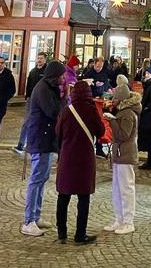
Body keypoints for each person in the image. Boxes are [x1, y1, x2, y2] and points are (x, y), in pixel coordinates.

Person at [55, 80, 105, 245]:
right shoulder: (91, 111)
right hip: (85, 159)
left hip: (68, 158)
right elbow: (101, 131)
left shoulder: (67, 111)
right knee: (83, 198)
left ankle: (62, 233)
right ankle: (79, 234)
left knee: (63, 196)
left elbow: (58, 132)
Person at [21, 60, 65, 237]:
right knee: (36, 179)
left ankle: (36, 215)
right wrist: (64, 98)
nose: (64, 78)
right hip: (40, 138)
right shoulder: (42, 89)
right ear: (55, 76)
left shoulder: (48, 87)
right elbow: (54, 112)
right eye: (62, 75)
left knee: (42, 178)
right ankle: (28, 220)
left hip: (46, 139)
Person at [103, 75, 141, 235]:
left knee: (126, 188)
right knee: (117, 188)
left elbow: (123, 135)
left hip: (126, 153)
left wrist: (112, 121)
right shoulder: (123, 112)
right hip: (120, 153)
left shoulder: (127, 114)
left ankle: (128, 221)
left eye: (115, 99)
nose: (113, 101)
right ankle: (119, 219)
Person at [15, 52, 47, 156]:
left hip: (42, 100)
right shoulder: (33, 71)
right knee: (27, 122)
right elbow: (29, 85)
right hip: (31, 100)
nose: (39, 60)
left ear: (45, 60)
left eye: (41, 58)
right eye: (38, 58)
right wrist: (27, 96)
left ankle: (37, 145)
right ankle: (21, 144)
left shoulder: (46, 72)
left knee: (40, 123)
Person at [81, 57, 109, 157]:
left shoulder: (104, 73)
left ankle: (99, 147)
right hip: (90, 102)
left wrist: (104, 88)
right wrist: (94, 85)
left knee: (98, 124)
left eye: (101, 67)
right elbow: (84, 86)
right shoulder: (89, 73)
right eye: (97, 66)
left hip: (100, 102)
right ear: (94, 64)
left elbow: (107, 85)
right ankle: (87, 147)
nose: (99, 68)